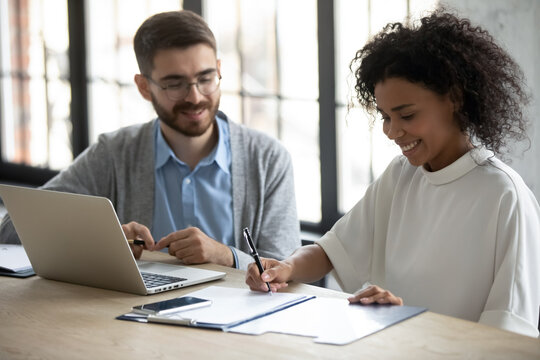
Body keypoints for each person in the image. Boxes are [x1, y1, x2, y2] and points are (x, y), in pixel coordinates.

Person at [246, 10, 540, 337]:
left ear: (455, 99)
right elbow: (331, 250)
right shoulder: (402, 175)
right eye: (385, 116)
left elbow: (508, 340)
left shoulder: (504, 197)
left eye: (407, 115)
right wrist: (287, 268)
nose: (391, 131)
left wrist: (409, 320)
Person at [0, 10, 301, 270]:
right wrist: (106, 240)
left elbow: (292, 270)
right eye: (175, 84)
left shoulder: (268, 159)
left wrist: (227, 256)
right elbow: (11, 230)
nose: (195, 97)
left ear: (219, 71)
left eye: (206, 79)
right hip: (134, 324)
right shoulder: (115, 154)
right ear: (144, 87)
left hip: (237, 327)